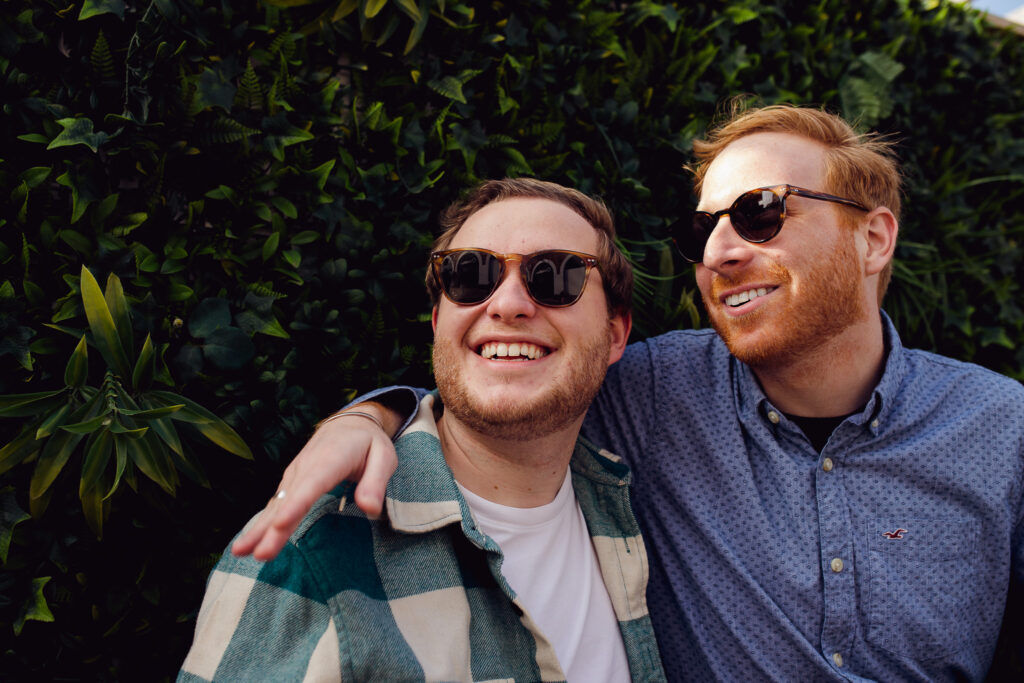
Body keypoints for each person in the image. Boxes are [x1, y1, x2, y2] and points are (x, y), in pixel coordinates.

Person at [233, 105, 1024, 681]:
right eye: (702, 229)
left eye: (760, 213)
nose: (719, 250)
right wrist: (375, 412)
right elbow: (514, 374)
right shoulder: (653, 392)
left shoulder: (1002, 429)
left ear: (874, 237)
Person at [179, 178, 666, 682]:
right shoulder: (314, 554)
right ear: (439, 322)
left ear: (614, 334)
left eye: (557, 275)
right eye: (471, 275)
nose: (507, 304)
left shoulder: (627, 504)